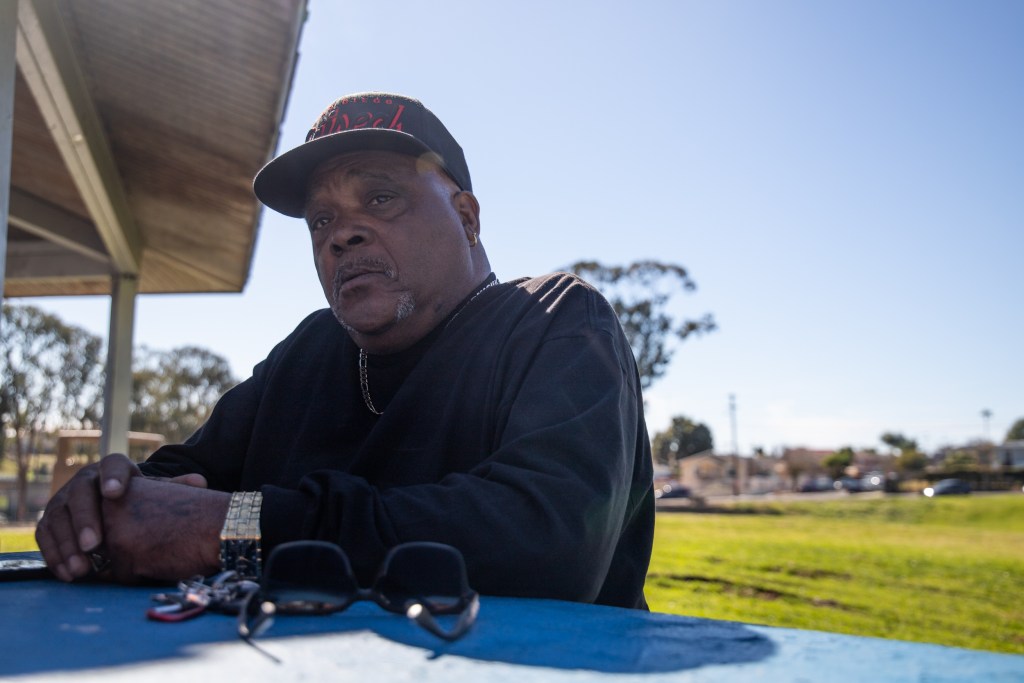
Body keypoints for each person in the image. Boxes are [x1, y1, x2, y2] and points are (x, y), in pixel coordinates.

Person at [35, 92, 655, 609]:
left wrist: (236, 529)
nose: (341, 235)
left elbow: (549, 543)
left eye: (380, 198)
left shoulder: (555, 320)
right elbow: (182, 480)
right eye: (320, 220)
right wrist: (105, 500)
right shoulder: (309, 349)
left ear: (467, 218)